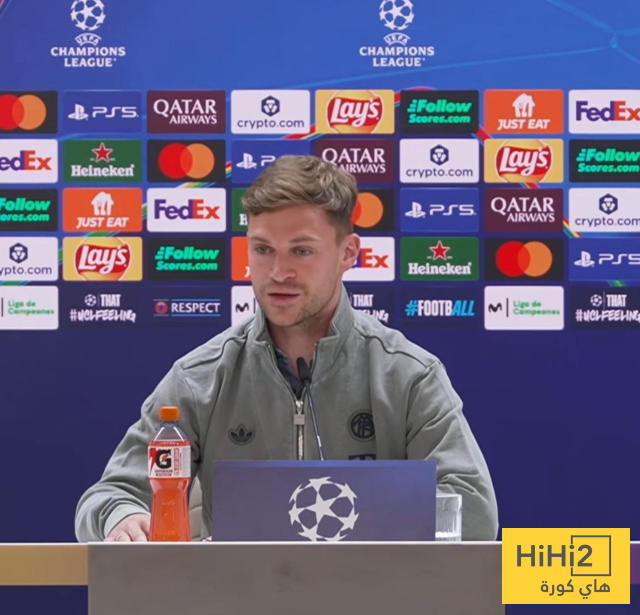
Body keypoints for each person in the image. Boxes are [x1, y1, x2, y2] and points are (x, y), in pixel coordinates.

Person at [75, 155, 499, 542]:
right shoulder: (200, 378)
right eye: (263, 250)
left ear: (348, 252)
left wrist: (352, 519)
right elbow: (110, 496)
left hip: (371, 591)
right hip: (238, 593)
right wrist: (123, 518)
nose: (279, 272)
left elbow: (474, 510)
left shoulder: (408, 374)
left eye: (302, 251)